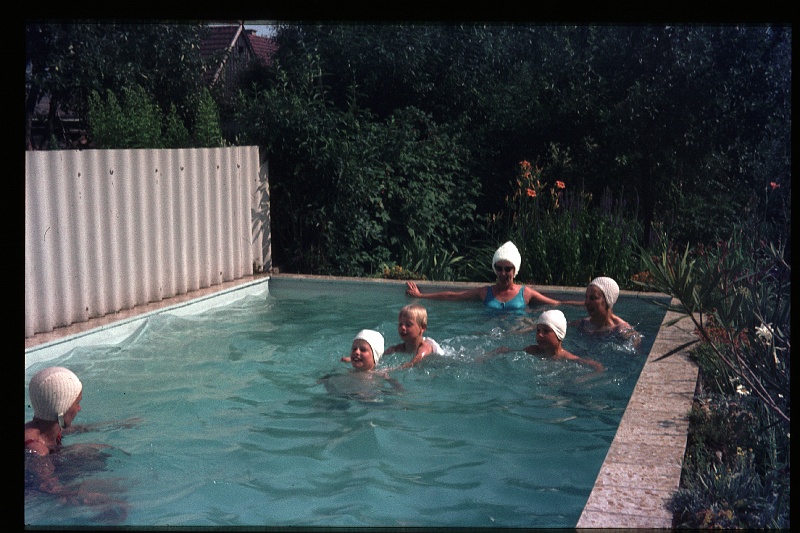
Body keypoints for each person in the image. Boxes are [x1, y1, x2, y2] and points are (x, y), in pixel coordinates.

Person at [24, 366, 137, 522]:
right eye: (77, 403)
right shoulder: (37, 448)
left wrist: (117, 425)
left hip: (51, 467)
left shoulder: (46, 426)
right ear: (62, 409)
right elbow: (49, 486)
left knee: (94, 451)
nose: (79, 408)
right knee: (120, 488)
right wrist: (91, 498)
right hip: (32, 492)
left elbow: (77, 429)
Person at [405, 241, 560, 310]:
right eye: (499, 268)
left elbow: (557, 304)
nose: (503, 273)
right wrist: (421, 296)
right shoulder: (485, 292)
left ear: (515, 270)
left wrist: (578, 304)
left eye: (508, 269)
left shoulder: (525, 293)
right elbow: (453, 296)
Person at [488, 310, 604, 373]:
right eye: (538, 330)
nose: (540, 335)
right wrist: (488, 356)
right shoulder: (533, 350)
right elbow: (504, 350)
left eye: (546, 331)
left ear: (559, 334)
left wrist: (582, 379)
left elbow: (598, 367)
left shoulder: (567, 358)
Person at [324, 330, 402, 400]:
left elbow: (399, 390)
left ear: (374, 356)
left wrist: (390, 380)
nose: (357, 352)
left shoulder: (379, 373)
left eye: (363, 350)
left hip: (368, 401)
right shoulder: (346, 371)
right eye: (354, 349)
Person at [569, 276, 638, 341]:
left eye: (593, 298)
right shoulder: (582, 324)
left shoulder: (623, 331)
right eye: (586, 297)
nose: (587, 302)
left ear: (607, 301)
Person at [384, 304, 444, 369]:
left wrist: (389, 370)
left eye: (408, 325)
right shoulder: (398, 348)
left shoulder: (425, 348)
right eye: (400, 324)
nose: (402, 327)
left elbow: (413, 363)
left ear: (422, 328)